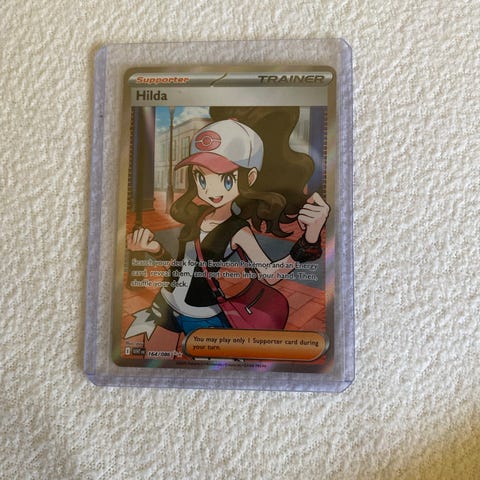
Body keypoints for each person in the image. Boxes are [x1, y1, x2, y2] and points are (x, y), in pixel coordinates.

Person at [125, 107, 329, 339]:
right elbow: (182, 267)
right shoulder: (197, 216)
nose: (210, 189)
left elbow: (270, 275)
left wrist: (309, 240)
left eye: (226, 180)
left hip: (201, 316)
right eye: (201, 177)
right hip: (165, 303)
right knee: (154, 359)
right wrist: (156, 251)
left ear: (250, 177)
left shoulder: (237, 230)